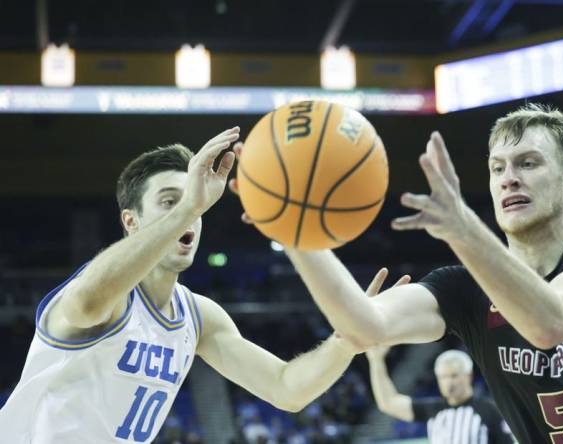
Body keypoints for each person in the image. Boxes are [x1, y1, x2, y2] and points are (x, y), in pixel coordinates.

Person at [233, 103, 563, 443]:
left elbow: (551, 323)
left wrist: (462, 228)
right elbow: (364, 326)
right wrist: (293, 232)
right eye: (497, 167)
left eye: (528, 163)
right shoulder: (460, 287)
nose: (508, 178)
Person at [0, 128, 393, 444]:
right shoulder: (107, 293)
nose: (191, 212)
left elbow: (286, 389)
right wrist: (191, 203)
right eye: (169, 201)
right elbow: (87, 303)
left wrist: (347, 341)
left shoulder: (198, 316)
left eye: (196, 207)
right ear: (131, 221)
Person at [367, 347, 513, 443]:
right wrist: (376, 361)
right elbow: (388, 403)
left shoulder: (488, 409)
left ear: (468, 376)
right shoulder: (434, 409)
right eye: (443, 377)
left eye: (454, 376)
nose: (449, 382)